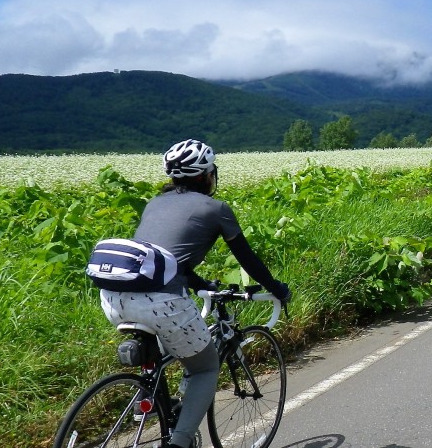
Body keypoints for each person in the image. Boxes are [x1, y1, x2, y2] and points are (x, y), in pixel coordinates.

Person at [97, 139, 292, 448]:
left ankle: (150, 400)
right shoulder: (216, 209)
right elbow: (248, 260)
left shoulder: (154, 204)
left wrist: (200, 284)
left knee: (161, 356)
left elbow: (163, 259)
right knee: (205, 367)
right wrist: (278, 289)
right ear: (205, 175)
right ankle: (181, 441)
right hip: (161, 302)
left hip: (113, 297)